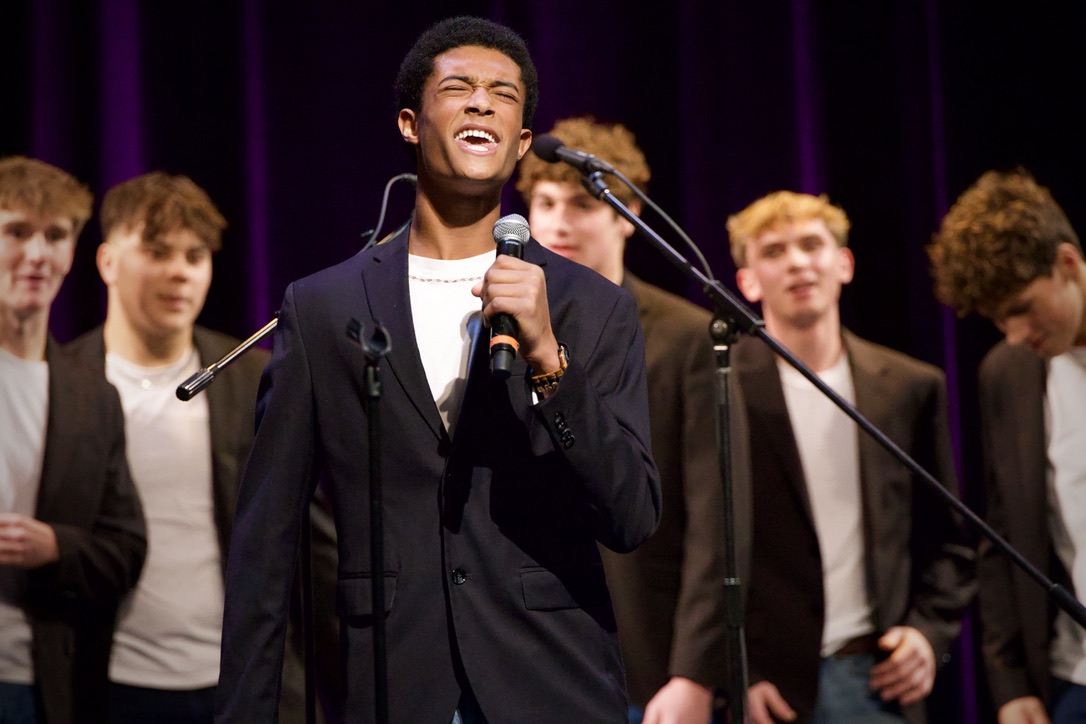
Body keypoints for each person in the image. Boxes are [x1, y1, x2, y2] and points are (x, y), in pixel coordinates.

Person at [216, 16, 661, 724]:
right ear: (409, 123)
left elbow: (632, 514)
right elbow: (267, 544)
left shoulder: (591, 306)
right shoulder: (324, 306)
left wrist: (549, 361)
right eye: (458, 87)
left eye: (503, 94)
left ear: (520, 143)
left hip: (553, 683)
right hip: (394, 684)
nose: (482, 101)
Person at [65, 172, 336, 723]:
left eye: (195, 255)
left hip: (241, 684)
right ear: (107, 262)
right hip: (106, 687)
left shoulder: (252, 377)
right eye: (157, 251)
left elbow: (315, 546)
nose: (179, 272)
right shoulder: (64, 383)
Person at [517, 116, 748, 723]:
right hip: (529, 655)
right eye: (543, 202)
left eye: (580, 203)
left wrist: (695, 671)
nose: (559, 221)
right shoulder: (503, 327)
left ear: (625, 216)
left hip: (645, 663)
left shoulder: (685, 337)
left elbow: (717, 516)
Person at [726, 190, 974, 723]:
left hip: (876, 678)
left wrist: (929, 636)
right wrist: (735, 670)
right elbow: (696, 546)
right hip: (768, 689)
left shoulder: (909, 387)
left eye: (812, 245)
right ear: (747, 281)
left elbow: (950, 540)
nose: (796, 262)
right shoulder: (718, 389)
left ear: (844, 264)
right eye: (773, 252)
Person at [928, 169, 1086, 724]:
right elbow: (1003, 535)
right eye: (999, 319)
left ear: (1068, 264)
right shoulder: (1008, 374)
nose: (1016, 333)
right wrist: (1012, 679)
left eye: (1022, 307)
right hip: (1071, 682)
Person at [0, 156, 147, 723]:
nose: (37, 254)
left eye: (55, 235)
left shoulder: (92, 398)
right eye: (17, 231)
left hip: (43, 686)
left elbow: (125, 550)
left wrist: (56, 546)